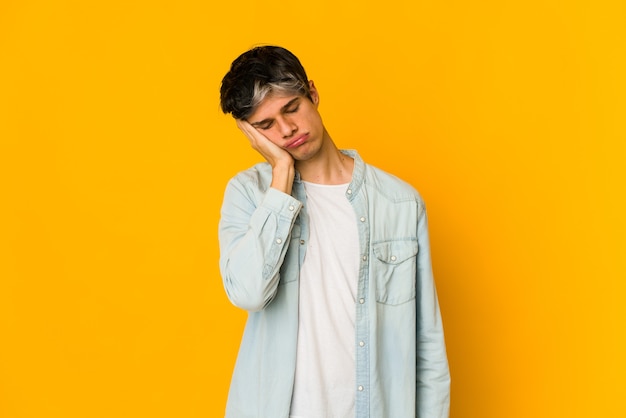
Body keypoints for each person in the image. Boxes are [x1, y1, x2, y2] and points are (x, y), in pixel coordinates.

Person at [218, 45, 450, 418]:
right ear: (251, 134)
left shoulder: (400, 203)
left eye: (291, 108)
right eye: (266, 126)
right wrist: (281, 174)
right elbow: (248, 293)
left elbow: (428, 346)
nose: (287, 130)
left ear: (312, 93)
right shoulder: (249, 194)